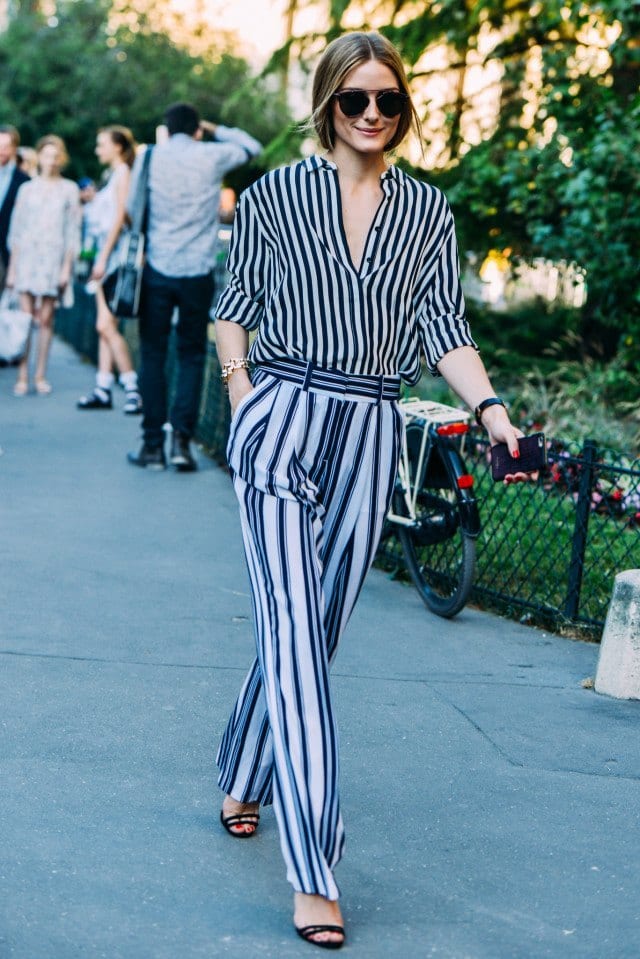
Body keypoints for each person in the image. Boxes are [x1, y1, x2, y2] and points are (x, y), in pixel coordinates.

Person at [214, 31, 537, 950]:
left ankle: (242, 767)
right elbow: (234, 308)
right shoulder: (279, 195)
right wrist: (244, 403)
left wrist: (490, 404)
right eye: (355, 98)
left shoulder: (427, 211)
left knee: (311, 630)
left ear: (403, 109)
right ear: (327, 101)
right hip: (280, 416)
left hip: (369, 425)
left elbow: (446, 324)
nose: (370, 114)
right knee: (289, 626)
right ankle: (315, 865)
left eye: (387, 100)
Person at [126, 102, 262, 471]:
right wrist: (214, 127)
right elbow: (252, 146)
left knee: (153, 354)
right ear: (197, 129)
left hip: (157, 268)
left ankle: (152, 445)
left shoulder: (150, 156)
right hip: (197, 270)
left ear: (167, 130)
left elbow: (132, 209)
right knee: (190, 354)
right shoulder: (212, 154)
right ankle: (182, 444)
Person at [7, 134, 80, 395]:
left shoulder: (69, 189)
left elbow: (73, 232)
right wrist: (13, 269)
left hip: (53, 259)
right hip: (28, 258)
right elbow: (16, 231)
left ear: (61, 159)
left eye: (55, 155)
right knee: (26, 319)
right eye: (46, 155)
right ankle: (23, 375)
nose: (50, 161)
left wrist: (66, 268)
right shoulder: (27, 189)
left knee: (47, 319)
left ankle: (40, 375)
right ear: (39, 156)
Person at [76, 126, 142, 414]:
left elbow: (119, 218)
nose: (97, 149)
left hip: (113, 258)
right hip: (107, 254)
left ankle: (132, 387)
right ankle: (103, 387)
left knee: (105, 324)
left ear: (117, 146)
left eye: (101, 144)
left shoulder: (123, 174)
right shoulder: (114, 174)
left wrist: (102, 259)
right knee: (105, 324)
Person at [0, 125, 30, 292]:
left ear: (14, 148)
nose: (1, 151)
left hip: (7, 250)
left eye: (6, 146)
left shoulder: (24, 181)